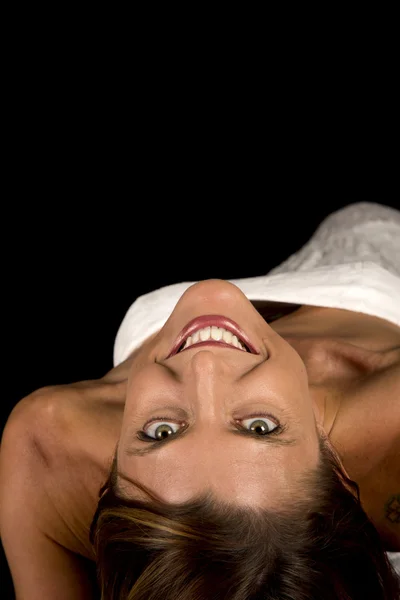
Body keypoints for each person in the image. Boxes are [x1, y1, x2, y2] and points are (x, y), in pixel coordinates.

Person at [1, 202, 399, 599]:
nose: (203, 368)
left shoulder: (47, 447)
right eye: (259, 426)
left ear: (110, 479)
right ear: (333, 466)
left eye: (161, 431)